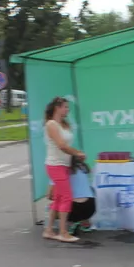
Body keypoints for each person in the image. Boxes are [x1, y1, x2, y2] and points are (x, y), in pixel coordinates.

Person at [44, 96, 84, 243]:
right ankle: (63, 232)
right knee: (66, 196)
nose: (67, 110)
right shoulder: (51, 124)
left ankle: (48, 230)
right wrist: (77, 153)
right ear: (57, 108)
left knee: (59, 197)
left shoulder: (64, 124)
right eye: (65, 107)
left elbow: (65, 145)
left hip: (63, 164)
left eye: (68, 107)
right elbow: (61, 145)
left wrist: (75, 154)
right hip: (55, 165)